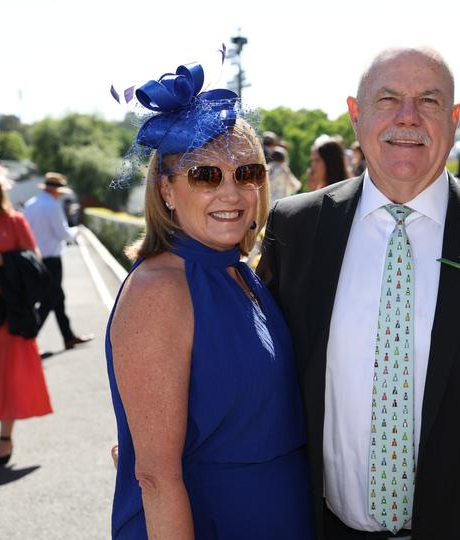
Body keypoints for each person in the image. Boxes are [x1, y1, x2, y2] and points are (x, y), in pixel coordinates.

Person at [258, 47, 460, 539]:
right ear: (355, 114)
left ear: (453, 119)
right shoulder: (296, 228)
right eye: (388, 99)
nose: (407, 118)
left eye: (429, 101)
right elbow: (260, 376)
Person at [106, 63, 313, 538]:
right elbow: (156, 477)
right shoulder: (161, 288)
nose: (231, 192)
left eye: (247, 172)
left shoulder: (238, 272)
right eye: (204, 175)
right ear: (167, 191)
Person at [0, 159, 52, 467]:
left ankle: (5, 437)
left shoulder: (14, 222)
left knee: (7, 374)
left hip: (7, 311)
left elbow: (35, 262)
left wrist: (3, 261)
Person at [23, 173, 92, 350]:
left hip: (35, 258)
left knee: (57, 298)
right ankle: (29, 336)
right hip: (52, 259)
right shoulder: (52, 206)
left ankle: (68, 337)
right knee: (50, 298)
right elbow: (62, 234)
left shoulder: (30, 205)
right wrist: (76, 231)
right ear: (55, 191)